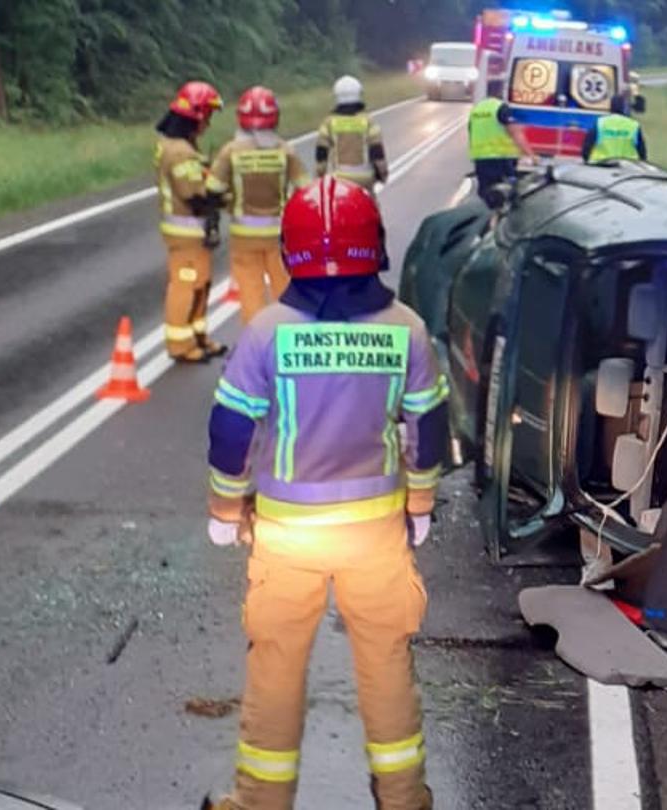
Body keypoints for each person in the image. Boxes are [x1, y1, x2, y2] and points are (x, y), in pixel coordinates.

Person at [203, 176, 449, 810]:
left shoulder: (266, 332)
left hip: (288, 540)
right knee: (387, 668)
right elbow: (430, 428)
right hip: (376, 538)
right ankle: (403, 799)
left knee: (276, 671)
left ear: (291, 250)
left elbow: (232, 428)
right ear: (377, 247)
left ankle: (259, 804)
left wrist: (225, 509)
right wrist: (419, 506)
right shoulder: (408, 331)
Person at [212, 86, 310, 323]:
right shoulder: (285, 151)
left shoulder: (230, 151)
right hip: (280, 236)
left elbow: (213, 190)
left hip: (243, 237)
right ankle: (286, 335)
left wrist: (229, 202)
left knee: (250, 291)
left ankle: (256, 339)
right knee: (284, 287)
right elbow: (305, 190)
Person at [155, 80, 230, 363]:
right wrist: (225, 197)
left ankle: (198, 336)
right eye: (207, 115)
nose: (209, 123)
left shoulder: (182, 147)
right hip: (185, 231)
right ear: (195, 115)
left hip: (192, 231)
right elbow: (194, 195)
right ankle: (180, 346)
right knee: (185, 285)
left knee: (201, 284)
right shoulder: (179, 152)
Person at [316, 76, 390, 193]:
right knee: (371, 208)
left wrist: (320, 175)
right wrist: (383, 174)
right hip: (365, 179)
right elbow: (377, 152)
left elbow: (321, 154)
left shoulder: (328, 123)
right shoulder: (368, 121)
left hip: (339, 178)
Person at [467, 95, 537, 208]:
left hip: (480, 158)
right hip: (501, 159)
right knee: (506, 194)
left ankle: (489, 220)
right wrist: (531, 155)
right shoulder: (501, 108)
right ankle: (504, 222)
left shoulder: (476, 110)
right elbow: (515, 133)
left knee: (487, 194)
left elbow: (471, 132)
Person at [582, 95, 646, 164]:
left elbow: (588, 145)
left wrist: (586, 160)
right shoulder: (633, 125)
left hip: (601, 165)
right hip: (628, 166)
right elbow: (642, 151)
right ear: (625, 108)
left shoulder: (600, 123)